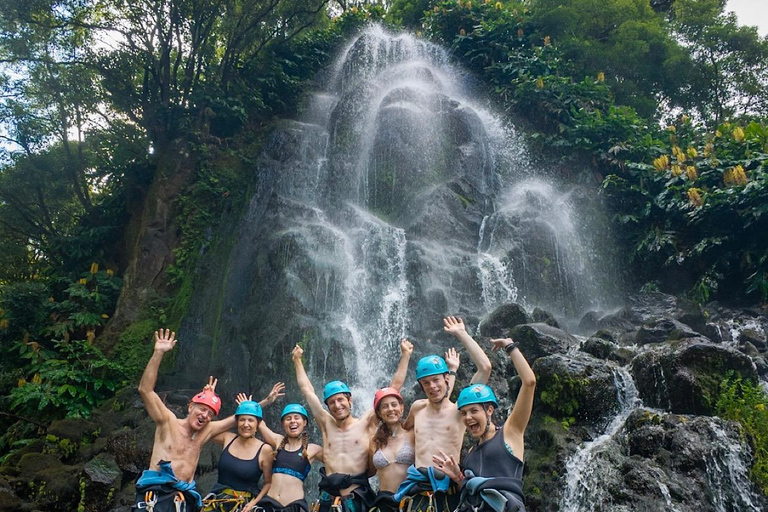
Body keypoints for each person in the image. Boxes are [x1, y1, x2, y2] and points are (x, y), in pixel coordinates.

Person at [291, 339, 412, 512]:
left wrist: (405, 355)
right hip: (328, 499)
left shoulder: (365, 423)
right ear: (328, 406)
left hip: (355, 499)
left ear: (350, 400)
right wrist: (297, 361)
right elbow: (307, 391)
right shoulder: (325, 423)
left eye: (341, 400)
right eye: (332, 402)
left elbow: (394, 389)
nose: (337, 405)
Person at [396, 316, 492, 512]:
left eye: (436, 380)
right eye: (426, 383)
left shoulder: (459, 411)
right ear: (421, 386)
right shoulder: (417, 408)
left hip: (448, 491)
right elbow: (402, 431)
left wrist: (461, 333)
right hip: (418, 493)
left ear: (446, 379)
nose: (432, 386)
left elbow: (485, 368)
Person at [133, 329, 236, 512]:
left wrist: (262, 403)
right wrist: (158, 353)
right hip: (157, 495)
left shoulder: (204, 434)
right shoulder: (167, 422)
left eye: (210, 414)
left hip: (184, 499)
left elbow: (240, 419)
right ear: (190, 407)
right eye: (202, 409)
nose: (205, 415)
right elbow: (145, 390)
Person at [432, 337, 536, 512]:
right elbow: (472, 491)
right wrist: (458, 476)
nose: (468, 417)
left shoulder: (510, 433)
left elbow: (529, 382)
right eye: (463, 413)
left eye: (474, 411)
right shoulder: (471, 453)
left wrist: (510, 346)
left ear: (489, 410)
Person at [367, 348, 458, 512]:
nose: (390, 409)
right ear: (378, 413)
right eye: (385, 407)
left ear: (402, 408)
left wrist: (452, 371)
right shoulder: (374, 439)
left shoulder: (413, 429)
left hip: (411, 496)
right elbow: (368, 471)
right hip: (383, 499)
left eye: (394, 405)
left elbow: (439, 399)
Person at [255, 383, 323, 512]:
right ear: (283, 424)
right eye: (288, 419)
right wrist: (267, 401)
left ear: (305, 423)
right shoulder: (278, 441)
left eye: (297, 418)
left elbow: (336, 460)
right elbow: (256, 419)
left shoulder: (313, 449)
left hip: (293, 507)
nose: (292, 421)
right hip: (270, 505)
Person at [202, 397, 273, 512]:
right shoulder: (227, 438)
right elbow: (206, 429)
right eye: (241, 420)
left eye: (251, 420)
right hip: (218, 502)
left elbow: (268, 483)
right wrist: (209, 399)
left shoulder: (265, 450)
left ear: (258, 424)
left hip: (244, 506)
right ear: (236, 422)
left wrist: (253, 503)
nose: (246, 424)